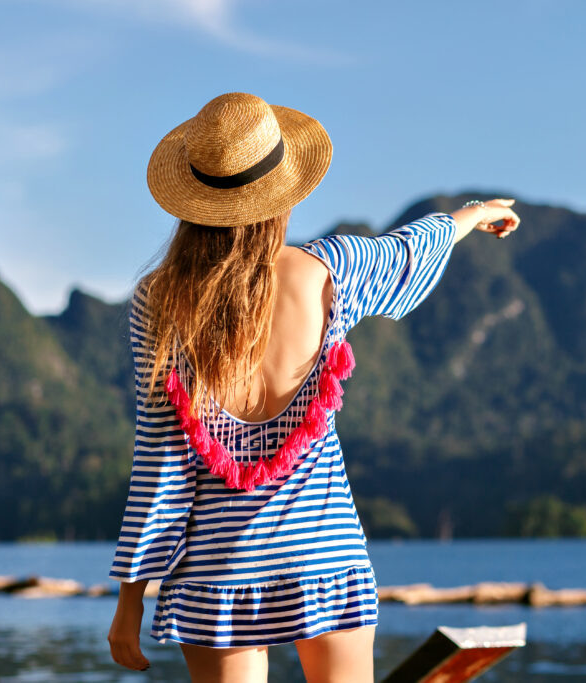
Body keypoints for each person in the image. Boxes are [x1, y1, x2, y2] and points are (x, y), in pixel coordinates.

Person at [106, 92, 520, 683]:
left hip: (214, 577)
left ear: (193, 199)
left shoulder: (162, 301)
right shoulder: (330, 270)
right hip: (326, 561)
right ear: (281, 193)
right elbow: (409, 250)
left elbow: (161, 465)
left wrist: (130, 602)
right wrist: (473, 215)